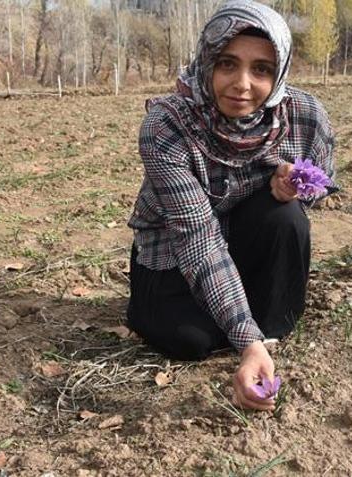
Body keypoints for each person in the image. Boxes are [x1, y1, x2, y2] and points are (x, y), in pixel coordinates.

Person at [126, 0, 336, 411]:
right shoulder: (168, 124)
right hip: (175, 246)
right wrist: (244, 337)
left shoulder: (304, 115)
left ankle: (264, 335)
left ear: (279, 74)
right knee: (192, 341)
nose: (242, 84)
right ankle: (238, 328)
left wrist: (291, 183)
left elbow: (323, 184)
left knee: (286, 217)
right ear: (207, 62)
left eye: (261, 69)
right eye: (227, 64)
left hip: (241, 236)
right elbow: (197, 237)